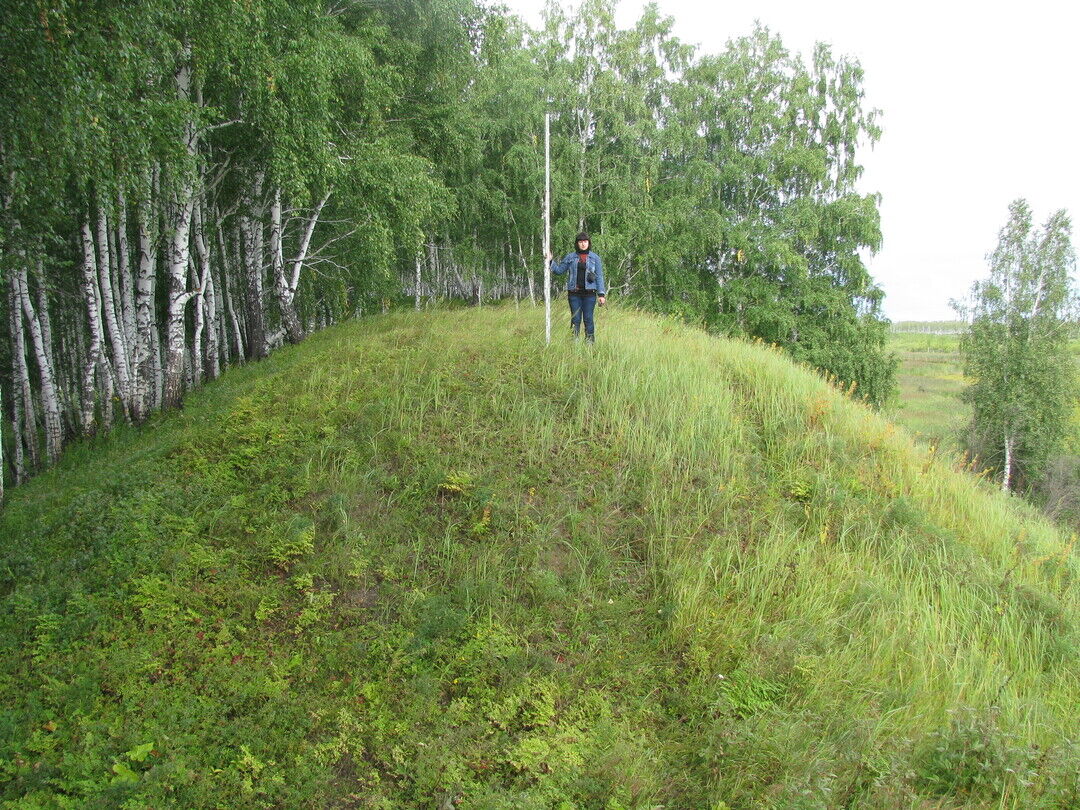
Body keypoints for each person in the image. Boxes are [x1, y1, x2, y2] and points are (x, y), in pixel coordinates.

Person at [547, 231, 606, 342]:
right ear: (577, 243)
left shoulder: (595, 258)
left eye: (585, 241)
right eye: (580, 242)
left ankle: (589, 344)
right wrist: (550, 261)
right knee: (576, 319)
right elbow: (559, 270)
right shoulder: (571, 257)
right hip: (574, 294)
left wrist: (601, 294)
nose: (583, 244)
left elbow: (599, 277)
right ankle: (574, 344)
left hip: (590, 294)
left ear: (589, 243)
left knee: (588, 319)